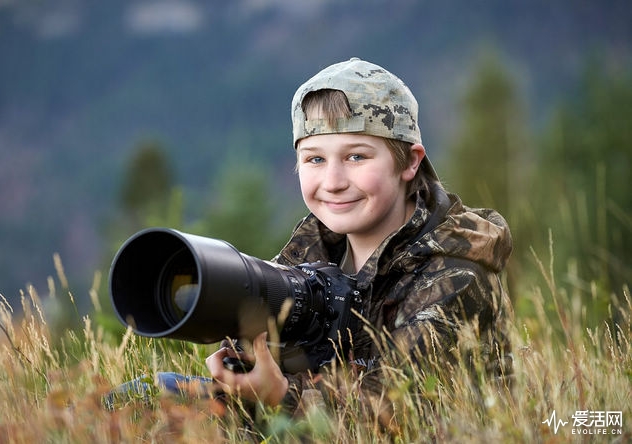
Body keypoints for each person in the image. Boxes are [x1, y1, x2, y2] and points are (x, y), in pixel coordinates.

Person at [107, 57, 514, 428]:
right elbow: (259, 349)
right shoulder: (317, 248)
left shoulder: (455, 273)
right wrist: (243, 363)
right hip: (305, 425)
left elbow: (399, 416)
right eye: (315, 159)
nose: (333, 182)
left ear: (409, 162)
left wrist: (280, 397)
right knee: (143, 403)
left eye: (357, 156)